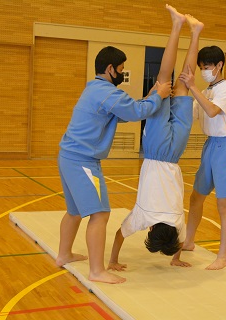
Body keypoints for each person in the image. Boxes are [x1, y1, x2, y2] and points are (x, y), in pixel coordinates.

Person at [55, 32, 172, 283]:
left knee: (74, 211)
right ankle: (97, 271)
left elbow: (128, 110)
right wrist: (159, 96)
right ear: (110, 69)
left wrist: (152, 95)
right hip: (82, 160)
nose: (122, 73)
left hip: (68, 156)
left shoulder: (95, 89)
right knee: (100, 214)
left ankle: (63, 254)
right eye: (120, 69)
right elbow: (136, 112)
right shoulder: (108, 92)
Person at [108, 6, 204, 271]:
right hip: (156, 149)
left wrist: (177, 258)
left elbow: (180, 241)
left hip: (176, 153)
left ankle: (195, 32)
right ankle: (176, 25)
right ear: (150, 230)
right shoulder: (143, 217)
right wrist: (113, 260)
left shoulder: (176, 222)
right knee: (164, 79)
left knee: (183, 83)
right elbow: (119, 235)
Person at [177, 45, 226, 270]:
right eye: (202, 67)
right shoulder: (204, 92)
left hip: (225, 149)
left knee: (223, 204)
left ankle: (223, 256)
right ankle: (189, 240)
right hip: (209, 147)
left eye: (207, 67)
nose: (204, 71)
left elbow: (213, 111)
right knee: (196, 197)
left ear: (219, 65)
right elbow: (191, 112)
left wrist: (193, 86)